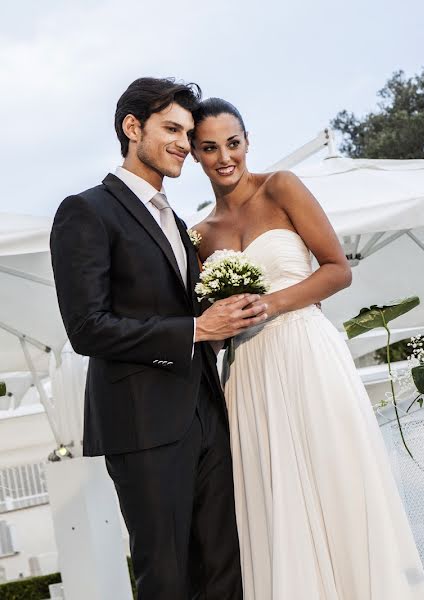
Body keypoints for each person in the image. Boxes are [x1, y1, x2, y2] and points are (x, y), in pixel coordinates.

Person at [189, 97, 424, 600]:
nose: (224, 157)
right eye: (209, 147)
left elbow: (337, 269)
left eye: (232, 143)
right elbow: (207, 319)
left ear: (248, 142)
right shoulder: (201, 235)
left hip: (306, 352)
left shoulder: (281, 188)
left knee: (339, 483)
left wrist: (271, 304)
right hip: (249, 372)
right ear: (194, 154)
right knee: (277, 501)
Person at [50, 78, 266, 599]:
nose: (183, 145)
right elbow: (86, 328)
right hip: (142, 422)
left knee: (226, 570)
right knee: (166, 576)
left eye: (187, 134)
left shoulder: (180, 222)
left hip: (209, 414)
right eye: (171, 129)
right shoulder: (86, 211)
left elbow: (191, 311)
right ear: (131, 127)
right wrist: (196, 328)